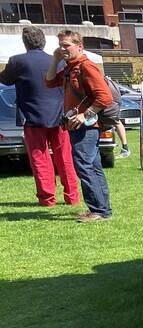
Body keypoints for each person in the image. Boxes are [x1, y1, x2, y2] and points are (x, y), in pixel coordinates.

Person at [0, 26, 78, 207]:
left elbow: (5, 79)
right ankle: (72, 196)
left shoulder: (17, 61)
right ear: (43, 41)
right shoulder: (58, 61)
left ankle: (47, 198)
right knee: (64, 156)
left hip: (33, 116)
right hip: (59, 115)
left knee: (39, 157)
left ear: (25, 42)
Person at [45, 29, 115, 222]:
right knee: (92, 166)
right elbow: (49, 82)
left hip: (87, 127)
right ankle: (101, 209)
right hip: (77, 126)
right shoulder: (70, 67)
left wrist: (85, 115)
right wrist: (55, 59)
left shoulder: (86, 66)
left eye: (66, 45)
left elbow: (105, 97)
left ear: (79, 46)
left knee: (84, 166)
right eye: (60, 45)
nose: (62, 49)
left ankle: (98, 211)